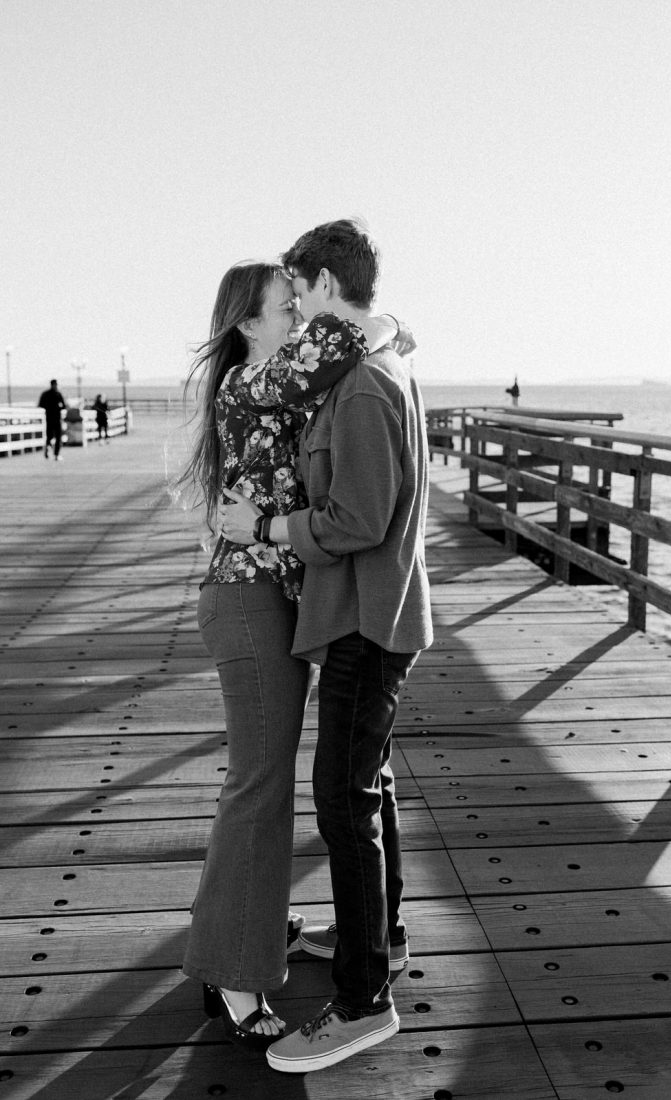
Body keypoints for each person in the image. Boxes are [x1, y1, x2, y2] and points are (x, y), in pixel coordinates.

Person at [219, 219, 433, 1073]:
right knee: (366, 786)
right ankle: (380, 937)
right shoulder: (364, 372)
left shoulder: (365, 387)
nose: (301, 313)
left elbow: (359, 519)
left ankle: (363, 1000)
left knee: (341, 800)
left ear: (319, 282)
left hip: (365, 620)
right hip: (363, 613)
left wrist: (269, 522)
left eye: (299, 292)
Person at [178, 259, 401, 1047]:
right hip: (247, 599)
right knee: (262, 782)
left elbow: (331, 357)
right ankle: (235, 976)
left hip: (269, 596)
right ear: (248, 324)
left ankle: (238, 929)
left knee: (259, 780)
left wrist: (385, 333)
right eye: (285, 311)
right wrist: (380, 326)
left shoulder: (275, 382)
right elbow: (336, 343)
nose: (298, 326)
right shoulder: (251, 380)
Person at [38, 379, 66, 460]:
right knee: (57, 436)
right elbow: (63, 406)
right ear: (55, 385)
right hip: (56, 418)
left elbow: (41, 405)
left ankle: (49, 447)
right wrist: (58, 407)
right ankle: (56, 454)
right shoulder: (58, 394)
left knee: (50, 435)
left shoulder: (45, 394)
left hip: (49, 418)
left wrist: (48, 408)